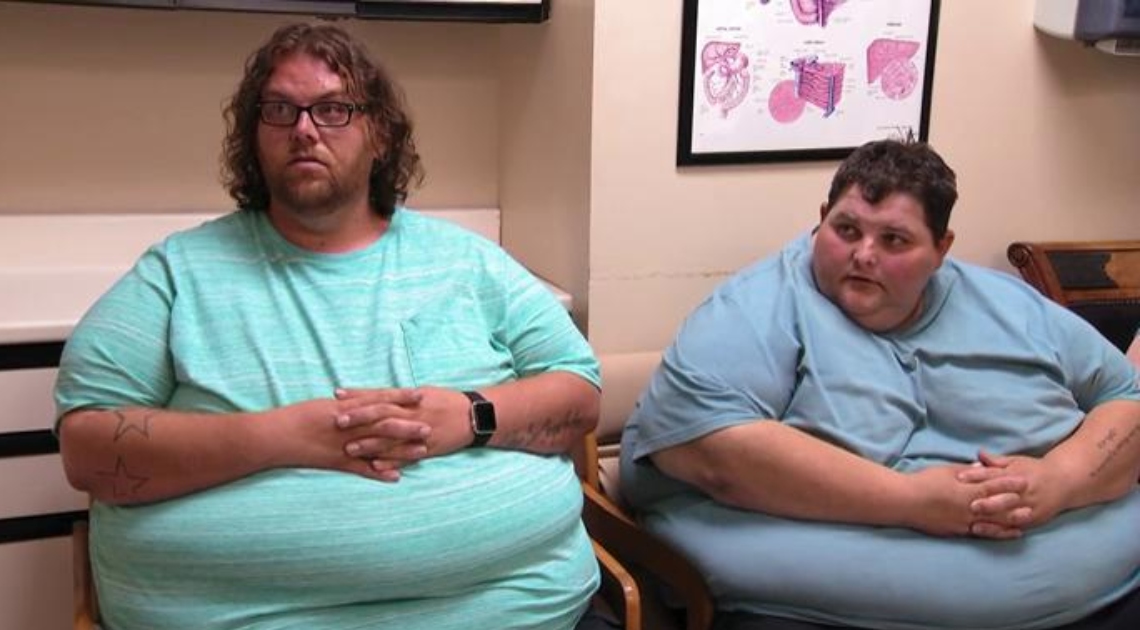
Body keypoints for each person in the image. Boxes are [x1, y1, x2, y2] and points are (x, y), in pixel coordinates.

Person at [55, 22, 605, 630]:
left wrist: (468, 416)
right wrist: (284, 437)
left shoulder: (468, 261)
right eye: (279, 110)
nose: (304, 129)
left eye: (333, 109)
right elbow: (86, 448)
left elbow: (580, 395)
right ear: (254, 135)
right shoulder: (178, 274)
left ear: (380, 134)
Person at [620, 139, 1140, 630]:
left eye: (894, 240)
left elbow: (1127, 396)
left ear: (941, 248)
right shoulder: (753, 310)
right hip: (820, 613)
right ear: (821, 218)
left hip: (1108, 594)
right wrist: (912, 500)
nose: (864, 254)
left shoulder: (1013, 308)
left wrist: (1059, 481)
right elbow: (706, 448)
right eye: (846, 230)